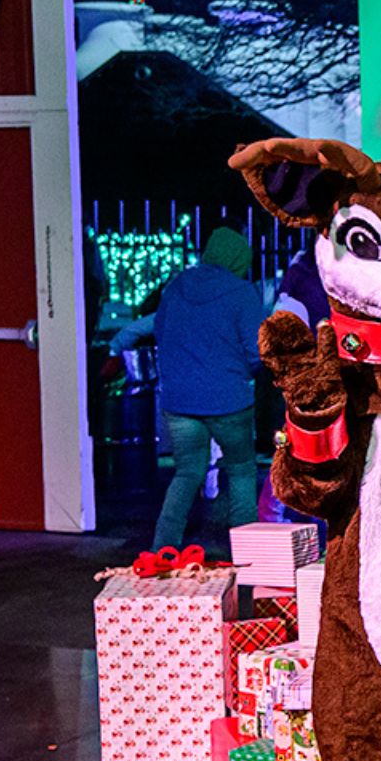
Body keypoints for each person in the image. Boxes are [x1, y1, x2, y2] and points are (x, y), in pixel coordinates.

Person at [113, 227, 270, 547]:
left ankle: (163, 550)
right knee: (240, 470)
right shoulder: (243, 293)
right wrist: (242, 374)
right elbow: (257, 352)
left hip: (179, 402)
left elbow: (159, 331)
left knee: (186, 474)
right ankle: (248, 556)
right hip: (230, 400)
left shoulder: (176, 286)